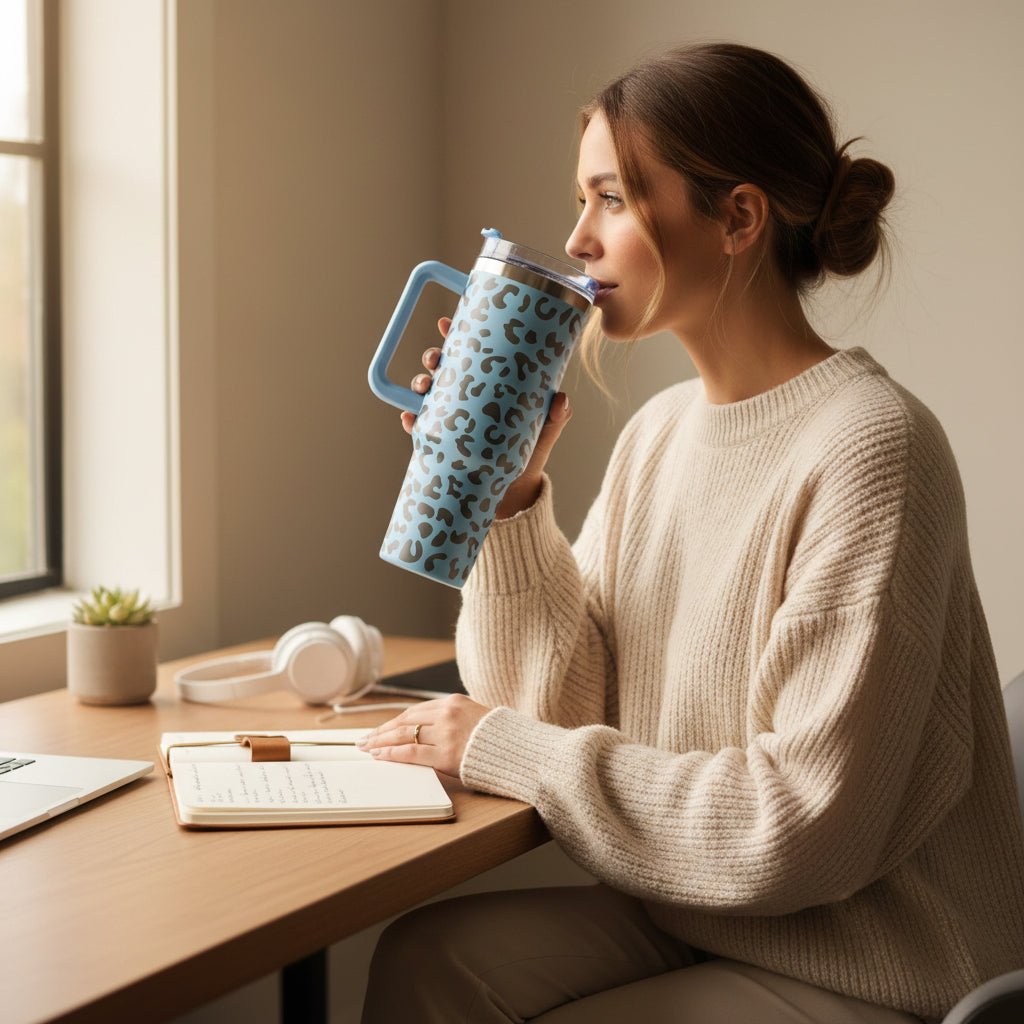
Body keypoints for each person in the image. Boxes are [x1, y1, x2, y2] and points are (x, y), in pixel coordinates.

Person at [357, 42, 1024, 1023]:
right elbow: (559, 701)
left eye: (611, 200)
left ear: (738, 217)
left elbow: (802, 830)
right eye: (580, 202)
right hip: (695, 909)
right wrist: (506, 497)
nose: (578, 240)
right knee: (427, 960)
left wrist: (498, 748)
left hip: (866, 953)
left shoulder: (873, 446)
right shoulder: (660, 432)